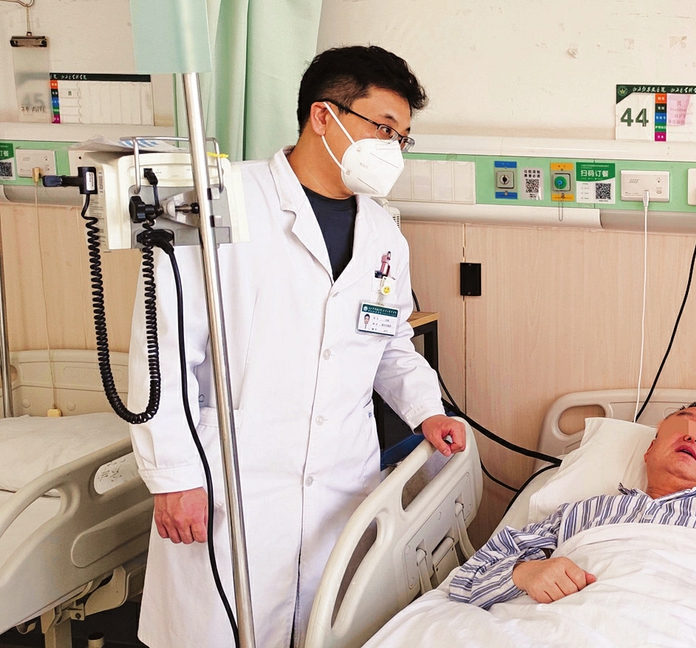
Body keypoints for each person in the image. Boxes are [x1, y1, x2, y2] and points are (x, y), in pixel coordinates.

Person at [127, 46, 466, 647]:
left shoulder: (384, 234)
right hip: (233, 480)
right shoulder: (214, 201)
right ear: (323, 116)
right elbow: (163, 353)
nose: (392, 149)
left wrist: (427, 411)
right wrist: (172, 476)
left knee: (322, 628)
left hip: (339, 484)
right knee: (219, 629)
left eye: (402, 138)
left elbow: (389, 341)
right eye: (383, 128)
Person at [448, 403, 696, 648]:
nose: (694, 436)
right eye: (682, 425)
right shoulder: (583, 512)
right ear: (649, 449)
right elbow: (469, 577)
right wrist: (525, 572)